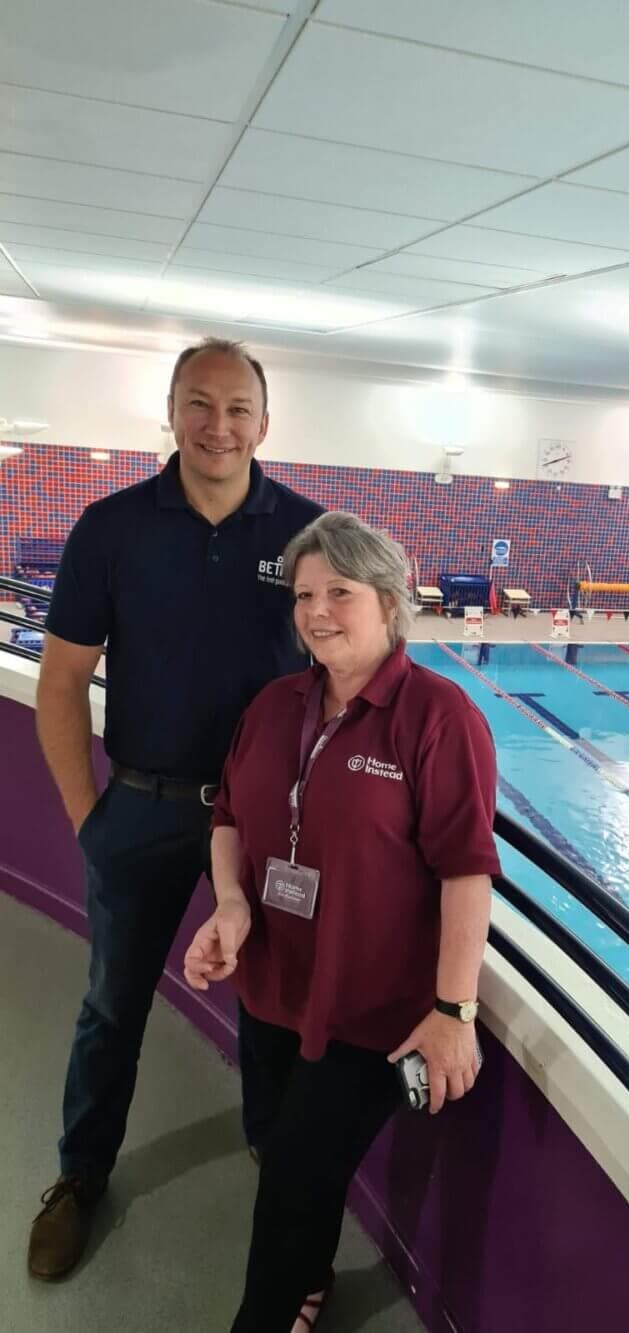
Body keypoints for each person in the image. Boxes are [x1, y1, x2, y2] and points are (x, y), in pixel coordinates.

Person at [28, 338, 324, 1282]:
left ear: (265, 424)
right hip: (144, 809)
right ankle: (80, 1174)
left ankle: (274, 1163)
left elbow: (349, 671)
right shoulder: (110, 527)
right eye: (200, 403)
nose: (219, 425)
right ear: (171, 411)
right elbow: (63, 681)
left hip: (269, 819)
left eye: (238, 408)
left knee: (274, 1008)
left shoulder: (310, 535)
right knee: (113, 1004)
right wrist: (90, 815)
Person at [183, 511, 499, 1333]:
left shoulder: (437, 716)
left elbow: (467, 871)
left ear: (389, 601)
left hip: (370, 1011)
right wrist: (231, 902)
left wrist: (454, 1011)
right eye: (304, 595)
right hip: (271, 986)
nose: (317, 611)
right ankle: (310, 1277)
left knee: (292, 1177)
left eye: (340, 593)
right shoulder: (276, 703)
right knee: (279, 1149)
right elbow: (226, 816)